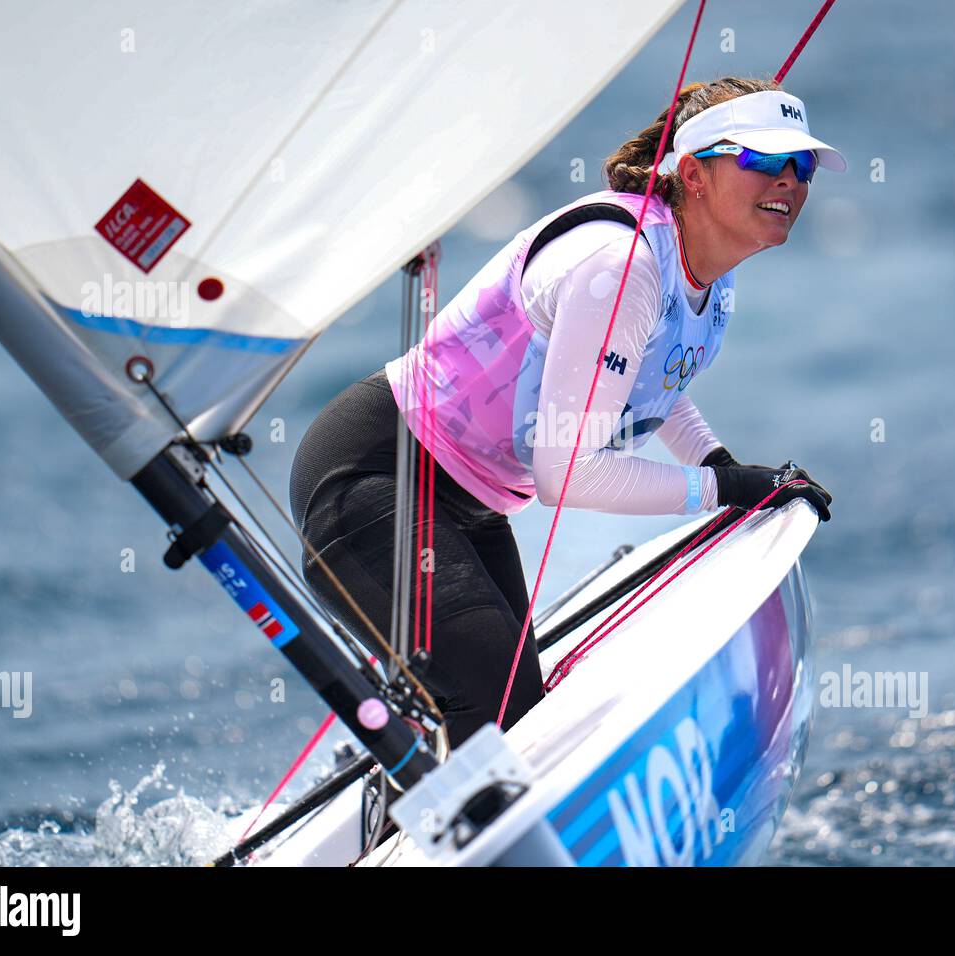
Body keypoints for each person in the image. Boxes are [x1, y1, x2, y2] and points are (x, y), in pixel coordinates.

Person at [289, 76, 841, 749]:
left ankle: (417, 797)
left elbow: (648, 379)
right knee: (497, 716)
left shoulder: (707, 273)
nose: (788, 180)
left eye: (802, 164)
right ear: (694, 174)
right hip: (377, 476)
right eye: (762, 158)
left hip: (470, 501)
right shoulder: (619, 265)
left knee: (513, 720)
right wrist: (725, 488)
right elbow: (569, 474)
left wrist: (717, 461)